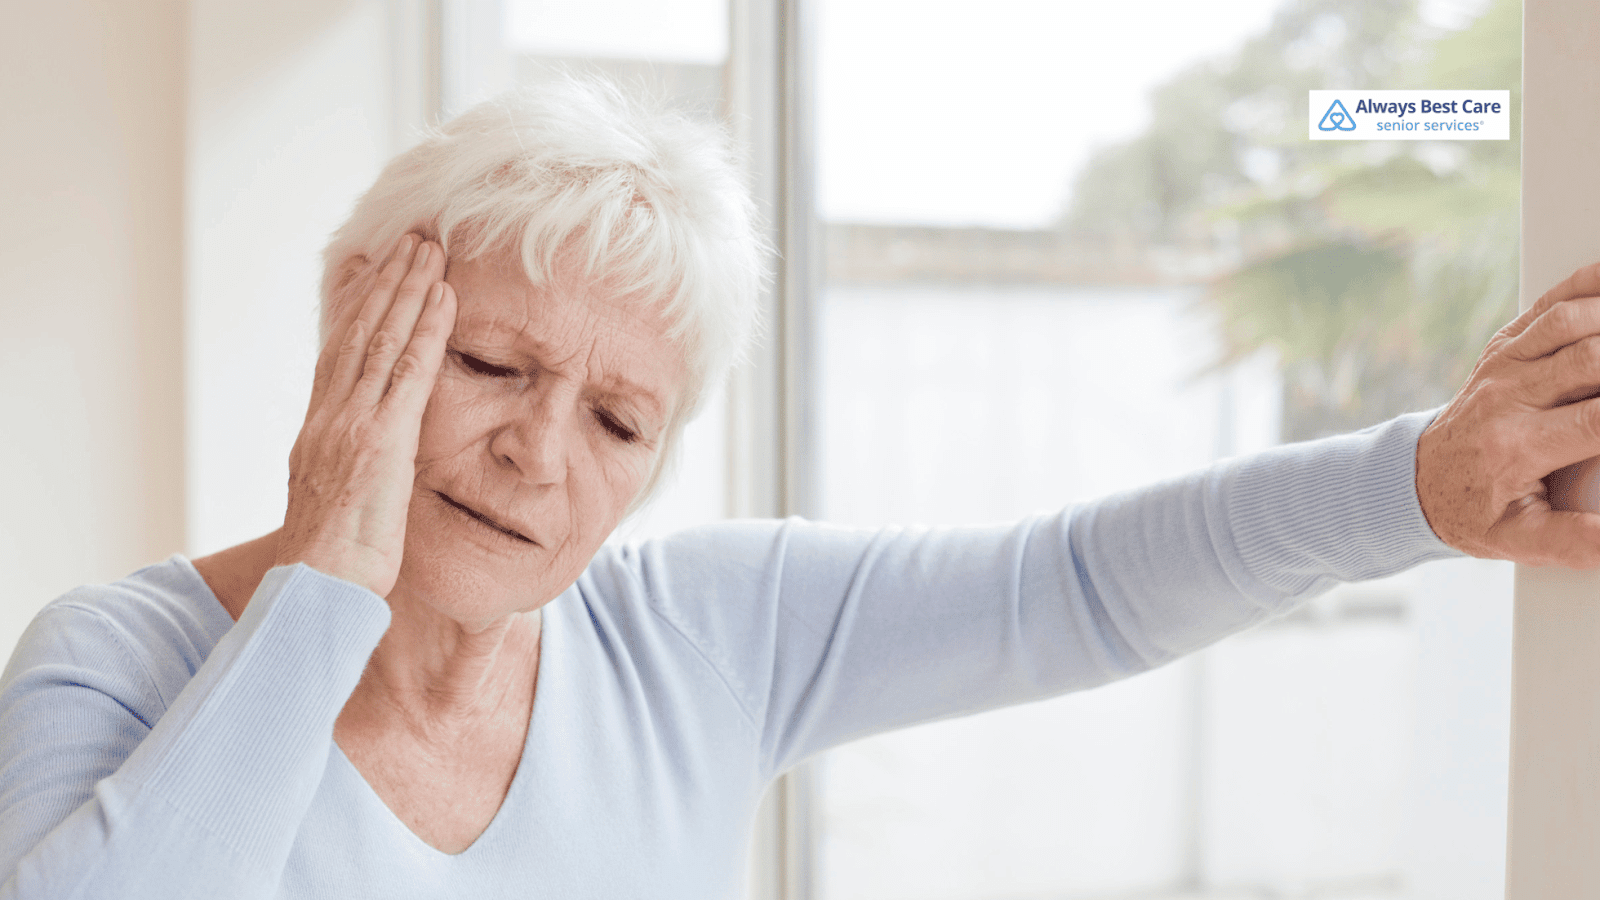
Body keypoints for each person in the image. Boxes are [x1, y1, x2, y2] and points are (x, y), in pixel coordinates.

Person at [1, 76, 1598, 900]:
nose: (539, 453)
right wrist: (328, 588)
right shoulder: (115, 663)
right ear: (362, 325)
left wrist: (1421, 486)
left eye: (620, 422)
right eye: (488, 365)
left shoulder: (698, 638)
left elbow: (1077, 587)